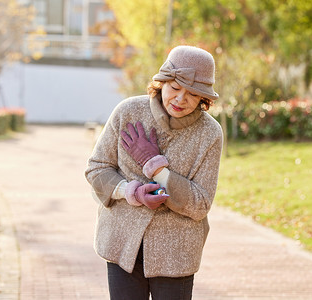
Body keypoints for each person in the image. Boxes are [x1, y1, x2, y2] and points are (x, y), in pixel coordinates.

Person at [85, 45, 223, 300]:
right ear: (161, 83)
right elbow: (97, 169)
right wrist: (131, 192)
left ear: (204, 99)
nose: (180, 99)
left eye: (192, 94)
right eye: (174, 87)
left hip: (176, 253)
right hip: (121, 244)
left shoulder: (210, 133)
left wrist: (156, 168)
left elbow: (201, 203)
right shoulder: (128, 111)